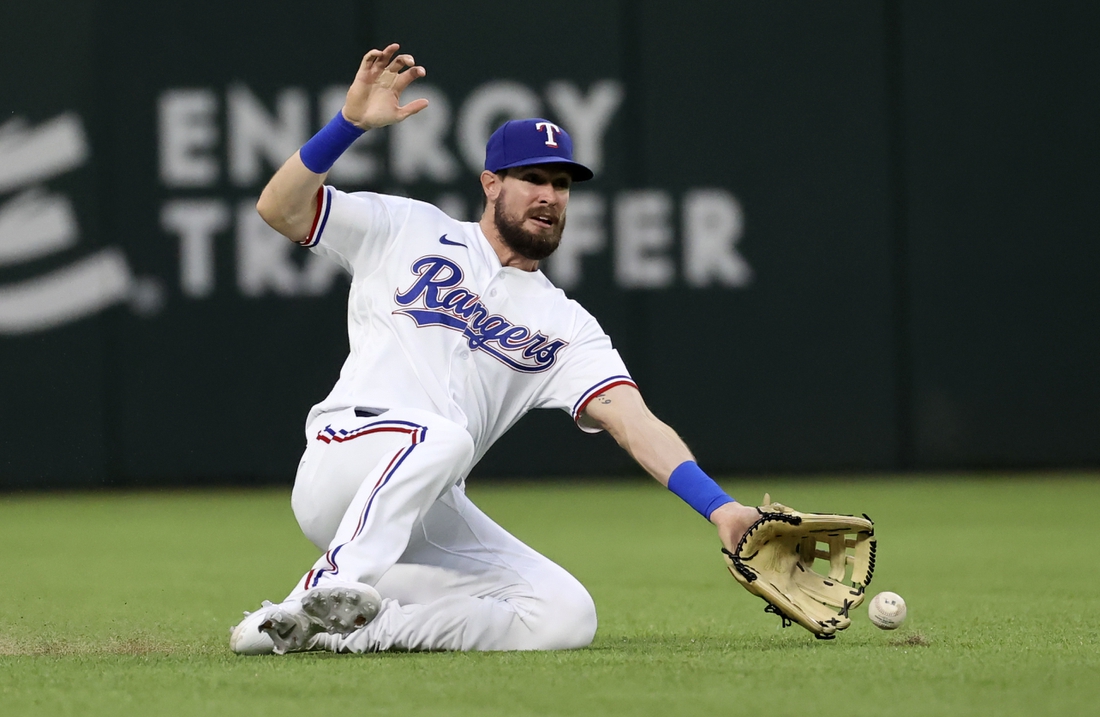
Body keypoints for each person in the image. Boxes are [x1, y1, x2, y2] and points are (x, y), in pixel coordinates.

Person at [230, 44, 761, 656]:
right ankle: (319, 590)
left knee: (565, 616)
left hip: (423, 504)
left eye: (561, 184)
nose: (550, 195)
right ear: (491, 184)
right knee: (444, 437)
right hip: (345, 458)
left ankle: (332, 634)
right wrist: (347, 126)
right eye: (533, 178)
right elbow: (279, 207)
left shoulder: (565, 324)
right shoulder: (407, 228)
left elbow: (634, 423)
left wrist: (719, 508)